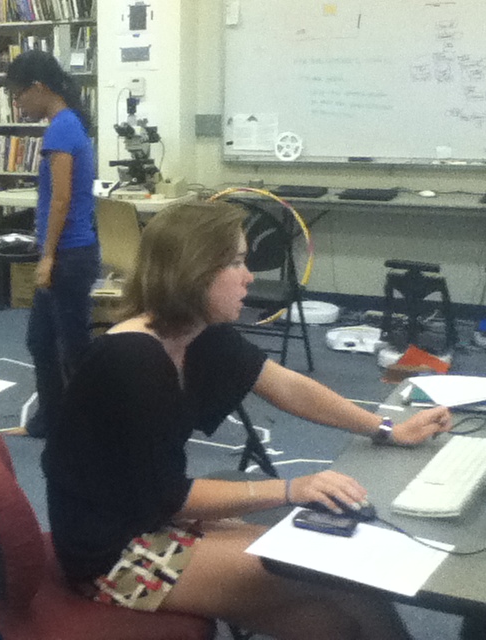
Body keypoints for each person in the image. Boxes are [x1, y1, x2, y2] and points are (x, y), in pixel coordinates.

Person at [42, 201, 452, 639]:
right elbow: (169, 498)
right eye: (236, 262)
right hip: (112, 557)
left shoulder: (198, 335)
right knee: (341, 570)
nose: (249, 276)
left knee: (336, 624)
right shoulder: (133, 360)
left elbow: (288, 387)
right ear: (195, 272)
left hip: (149, 521)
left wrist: (387, 428)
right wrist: (291, 489)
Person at [2, 50, 100, 438]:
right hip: (68, 253)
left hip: (68, 255)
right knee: (41, 341)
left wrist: (47, 257)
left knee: (73, 349)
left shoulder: (61, 128)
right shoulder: (68, 123)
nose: (18, 103)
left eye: (19, 94)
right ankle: (49, 422)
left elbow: (60, 200)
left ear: (40, 87)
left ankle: (95, 428)